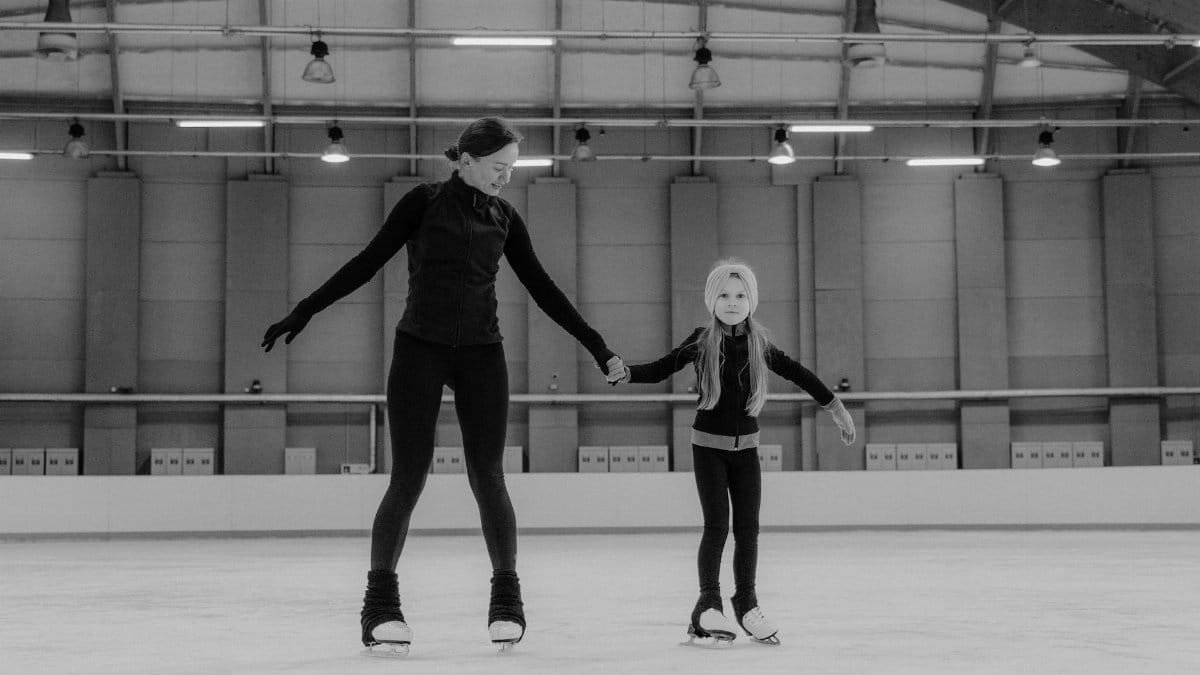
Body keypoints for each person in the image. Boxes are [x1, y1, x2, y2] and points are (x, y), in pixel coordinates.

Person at [261, 117, 623, 654]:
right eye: (499, 168)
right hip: (420, 350)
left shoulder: (505, 216)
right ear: (468, 160)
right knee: (408, 477)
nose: (506, 178)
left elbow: (544, 288)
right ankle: (380, 606)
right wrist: (305, 310)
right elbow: (367, 263)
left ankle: (507, 600)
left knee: (488, 477)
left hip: (482, 354)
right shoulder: (422, 202)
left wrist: (597, 345)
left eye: (512, 169)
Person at [607, 259, 854, 646]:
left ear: (751, 300)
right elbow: (662, 367)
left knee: (749, 530)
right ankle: (708, 602)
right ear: (712, 300)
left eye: (740, 295)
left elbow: (800, 374)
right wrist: (628, 373)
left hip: (746, 452)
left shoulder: (760, 345)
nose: (733, 302)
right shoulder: (702, 340)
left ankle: (747, 602)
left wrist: (836, 409)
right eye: (724, 294)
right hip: (708, 449)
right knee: (717, 526)